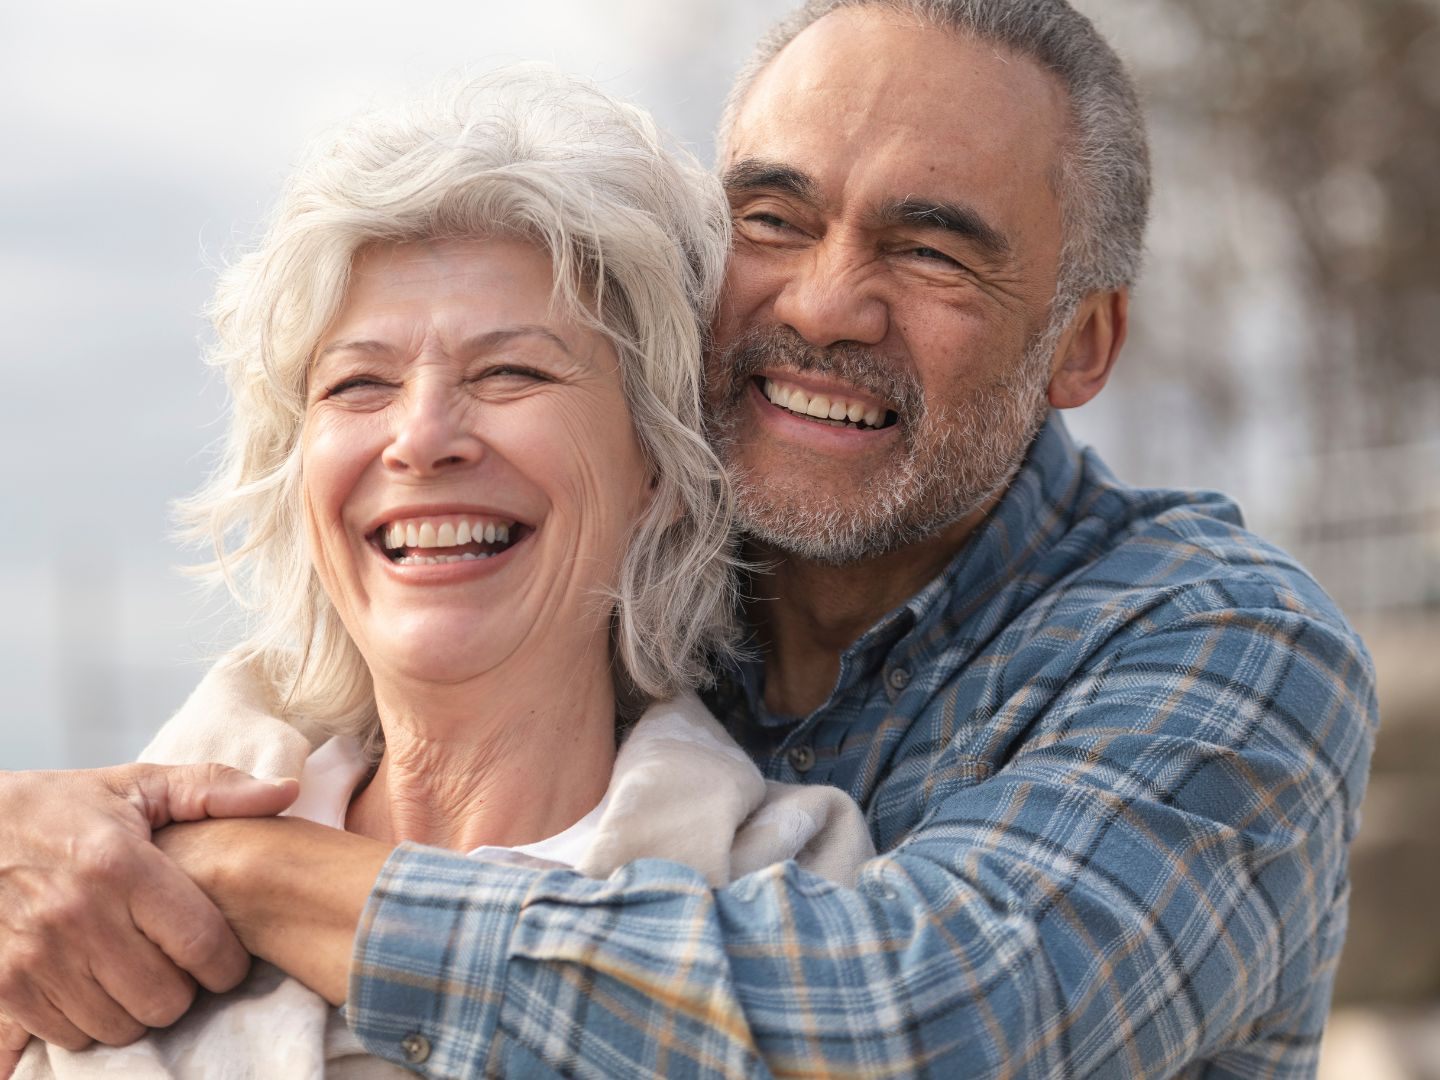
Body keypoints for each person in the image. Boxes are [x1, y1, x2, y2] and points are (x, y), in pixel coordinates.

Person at [0, 1, 1378, 1076]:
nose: (826, 304)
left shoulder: (1221, 646)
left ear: (1081, 343)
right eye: (773, 220)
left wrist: (239, 875)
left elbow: (931, 1026)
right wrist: (56, 845)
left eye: (931, 251)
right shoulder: (590, 592)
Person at [4, 68, 875, 1078]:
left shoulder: (795, 891)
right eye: (358, 383)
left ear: (660, 468)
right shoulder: (68, 902)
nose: (420, 438)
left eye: (510, 372)